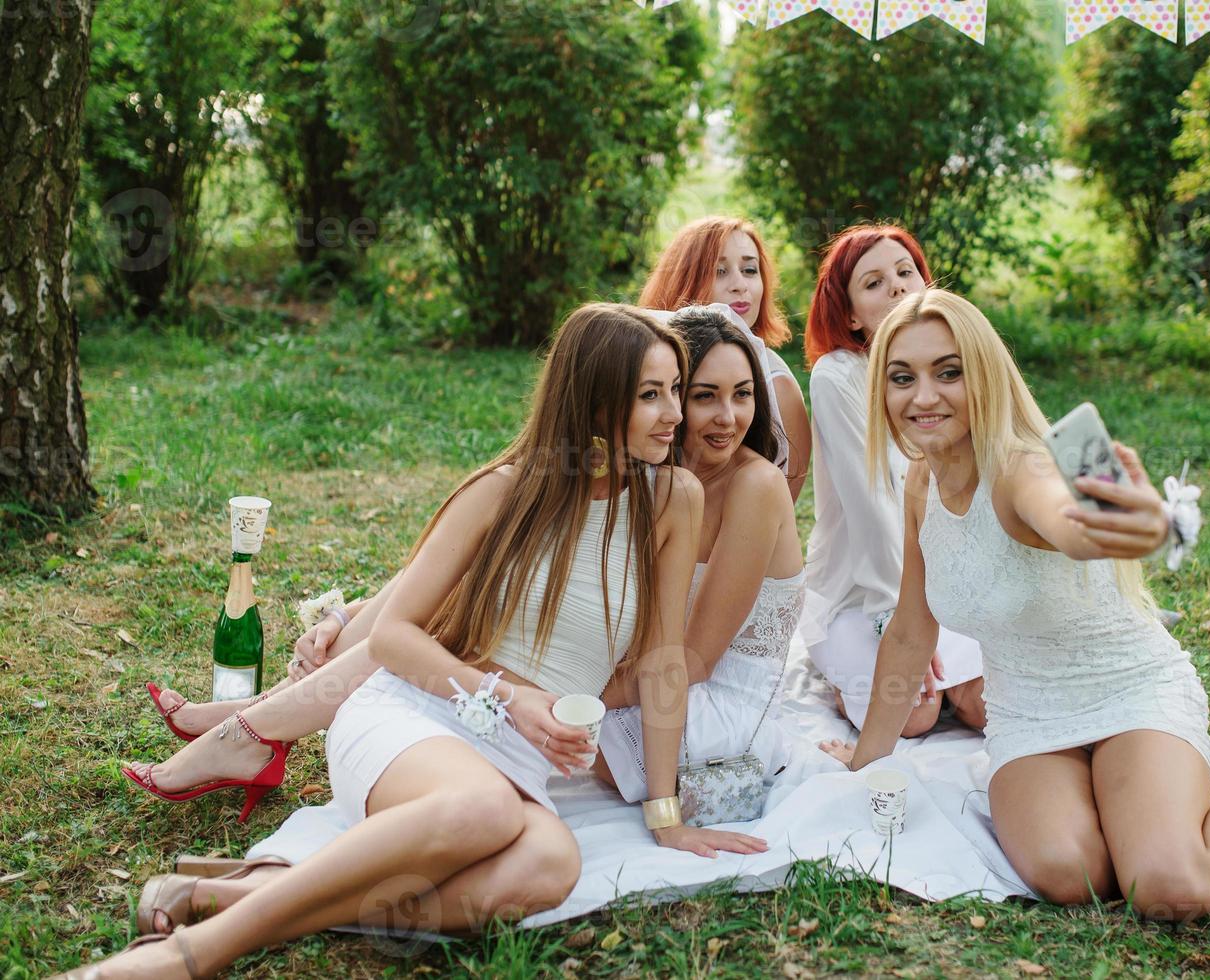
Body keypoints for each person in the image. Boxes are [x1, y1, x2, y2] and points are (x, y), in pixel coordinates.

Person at [94, 304, 765, 977]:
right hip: (412, 722)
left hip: (518, 759)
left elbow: (661, 659)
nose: (676, 412)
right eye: (651, 394)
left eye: (675, 388)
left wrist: (665, 811)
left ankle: (221, 895)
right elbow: (391, 638)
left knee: (550, 863)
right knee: (484, 807)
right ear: (593, 400)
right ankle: (197, 952)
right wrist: (508, 698)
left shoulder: (674, 496)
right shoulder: (505, 492)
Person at [824, 289, 1210, 919]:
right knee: (1070, 876)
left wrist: (1131, 524)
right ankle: (1185, 804)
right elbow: (912, 633)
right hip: (1028, 716)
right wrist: (867, 761)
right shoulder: (921, 482)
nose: (924, 397)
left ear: (985, 374)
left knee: (1167, 889)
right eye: (902, 377)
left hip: (1129, 692)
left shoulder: (1023, 467)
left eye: (949, 372)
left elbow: (1073, 521)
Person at [597, 306, 804, 800]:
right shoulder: (653, 474)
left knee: (583, 740)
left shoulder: (757, 485)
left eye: (743, 395)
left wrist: (573, 693)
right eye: (705, 396)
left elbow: (696, 660)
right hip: (655, 671)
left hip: (723, 697)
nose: (728, 418)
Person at [800, 224, 986, 738]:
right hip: (863, 593)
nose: (899, 287)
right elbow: (873, 510)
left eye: (906, 273)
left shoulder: (955, 366)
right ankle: (840, 680)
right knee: (914, 714)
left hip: (945, 581)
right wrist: (897, 628)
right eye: (875, 281)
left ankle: (952, 676)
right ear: (850, 312)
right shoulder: (838, 376)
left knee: (983, 706)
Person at [640, 216, 811, 501]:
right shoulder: (646, 363)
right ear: (685, 279)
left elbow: (782, 504)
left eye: (749, 269)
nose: (739, 285)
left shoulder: (778, 386)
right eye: (720, 271)